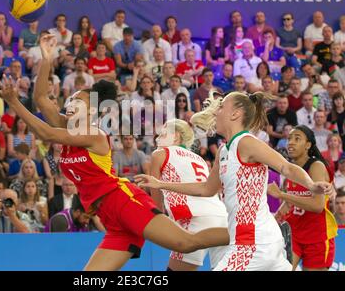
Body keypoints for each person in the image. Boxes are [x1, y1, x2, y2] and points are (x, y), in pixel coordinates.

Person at [0, 34, 231, 270]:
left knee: (185, 242)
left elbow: (47, 134)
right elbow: (40, 98)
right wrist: (46, 58)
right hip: (108, 215)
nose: (70, 104)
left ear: (91, 111)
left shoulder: (95, 134)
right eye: (70, 100)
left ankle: (249, 232)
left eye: (78, 101)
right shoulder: (66, 127)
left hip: (122, 201)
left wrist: (15, 104)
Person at [136, 91, 333, 271]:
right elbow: (206, 188)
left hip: (253, 243)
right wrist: (160, 184)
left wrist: (311, 185)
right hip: (256, 240)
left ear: (235, 114)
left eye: (222, 106)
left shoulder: (246, 142)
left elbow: (286, 167)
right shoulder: (223, 150)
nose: (216, 110)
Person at [148, 119, 228, 271]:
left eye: (164, 132)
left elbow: (156, 204)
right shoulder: (200, 159)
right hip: (221, 217)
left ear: (176, 136)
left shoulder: (160, 154)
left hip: (193, 219)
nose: (159, 137)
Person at [268, 125, 338, 270]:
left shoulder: (316, 166)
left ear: (308, 145)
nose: (291, 142)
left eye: (297, 139)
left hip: (317, 236)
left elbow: (317, 206)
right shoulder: (291, 169)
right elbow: (288, 204)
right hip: (294, 233)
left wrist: (281, 194)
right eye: (289, 139)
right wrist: (273, 220)